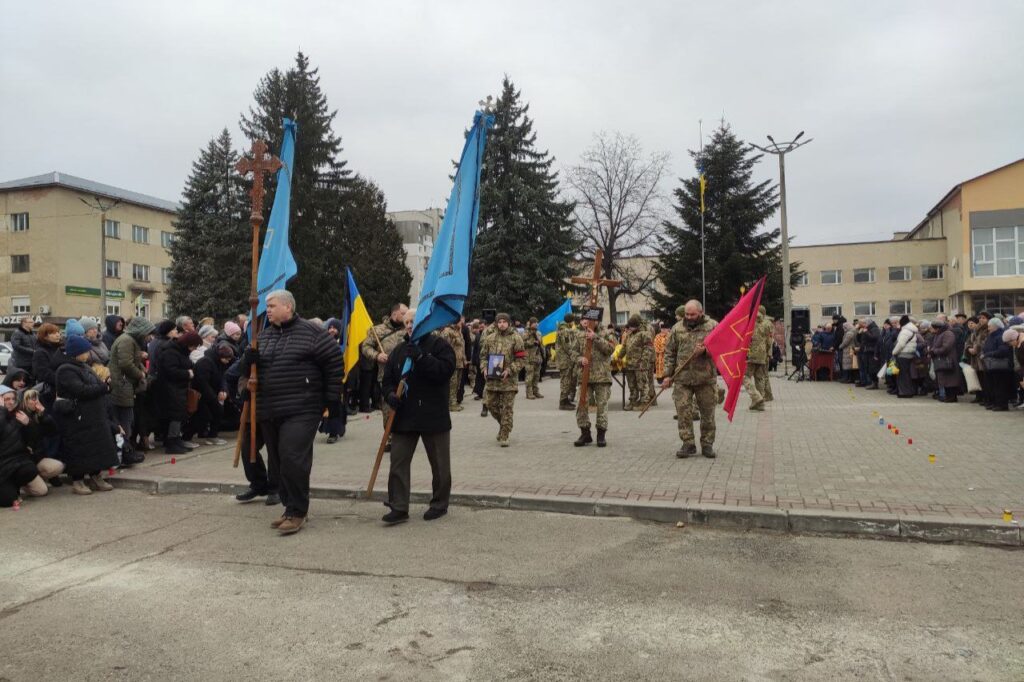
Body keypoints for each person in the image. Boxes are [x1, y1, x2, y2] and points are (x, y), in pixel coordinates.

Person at [240, 290, 344, 535]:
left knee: (292, 456)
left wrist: (331, 401)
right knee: (278, 461)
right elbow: (245, 374)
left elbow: (334, 364)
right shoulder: (262, 337)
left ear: (288, 307)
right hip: (269, 409)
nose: (268, 310)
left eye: (272, 305)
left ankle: (298, 511)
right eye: (266, 305)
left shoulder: (313, 333)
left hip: (303, 408)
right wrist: (248, 361)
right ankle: (290, 508)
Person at [379, 308, 456, 525]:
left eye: (414, 321)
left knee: (440, 464)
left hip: (433, 415)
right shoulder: (399, 350)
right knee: (398, 462)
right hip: (404, 416)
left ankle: (439, 504)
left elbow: (445, 371)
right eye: (407, 323)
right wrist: (390, 395)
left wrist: (422, 358)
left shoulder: (440, 345)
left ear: (425, 322)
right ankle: (398, 506)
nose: (410, 325)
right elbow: (387, 380)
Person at [53, 335, 119, 495]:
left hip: (94, 415)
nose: (88, 354)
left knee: (97, 447)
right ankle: (78, 481)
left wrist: (106, 387)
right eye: (85, 351)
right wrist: (104, 388)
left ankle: (96, 476)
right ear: (76, 352)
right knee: (80, 449)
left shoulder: (84, 366)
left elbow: (96, 386)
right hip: (77, 417)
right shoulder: (65, 370)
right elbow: (81, 390)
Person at [662, 301, 718, 459]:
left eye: (692, 314)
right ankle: (688, 443)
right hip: (682, 378)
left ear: (701, 312)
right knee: (683, 412)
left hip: (705, 378)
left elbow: (723, 347)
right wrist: (667, 375)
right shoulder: (677, 328)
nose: (689, 317)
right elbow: (669, 353)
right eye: (687, 314)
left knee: (708, 413)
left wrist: (706, 351)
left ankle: (707, 444)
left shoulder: (713, 326)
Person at [224, 356, 279, 506]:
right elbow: (233, 374)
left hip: (274, 410)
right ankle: (258, 484)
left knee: (275, 451)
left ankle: (276, 488)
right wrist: (243, 392)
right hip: (252, 411)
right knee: (247, 448)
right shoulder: (253, 347)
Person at [360, 304, 409, 447]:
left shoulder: (407, 329)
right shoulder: (377, 330)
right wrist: (377, 355)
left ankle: (405, 435)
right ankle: (390, 438)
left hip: (406, 374)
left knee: (406, 407)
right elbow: (365, 347)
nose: (406, 317)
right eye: (403, 313)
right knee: (388, 408)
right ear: (394, 314)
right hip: (386, 376)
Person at [109, 317, 156, 464]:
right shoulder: (127, 341)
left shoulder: (130, 340)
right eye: (148, 332)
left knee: (127, 421)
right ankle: (123, 455)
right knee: (125, 422)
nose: (149, 336)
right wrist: (140, 374)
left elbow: (132, 361)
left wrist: (142, 370)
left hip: (125, 385)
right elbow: (126, 364)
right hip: (122, 386)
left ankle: (126, 452)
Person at [479, 312, 525, 446]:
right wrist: (484, 368)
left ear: (509, 323)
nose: (502, 324)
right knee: (490, 405)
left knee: (507, 409)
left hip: (508, 382)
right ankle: (505, 425)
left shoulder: (516, 338)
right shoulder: (490, 338)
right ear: (496, 323)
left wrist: (510, 369)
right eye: (499, 322)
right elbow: (482, 356)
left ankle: (504, 434)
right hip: (492, 380)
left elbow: (521, 358)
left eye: (504, 322)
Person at [0, 386, 50, 507]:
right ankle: (10, 489)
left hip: (18, 462)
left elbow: (34, 439)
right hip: (2, 466)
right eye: (6, 399)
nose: (11, 402)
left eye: (13, 398)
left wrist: (29, 424)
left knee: (41, 490)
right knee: (7, 501)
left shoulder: (20, 414)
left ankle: (16, 486)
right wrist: (1, 410)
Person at [574, 315, 616, 447]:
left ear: (597, 320)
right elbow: (572, 352)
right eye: (584, 319)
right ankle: (585, 433)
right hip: (584, 376)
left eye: (590, 319)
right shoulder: (579, 335)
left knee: (602, 406)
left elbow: (610, 349)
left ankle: (601, 434)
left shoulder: (606, 334)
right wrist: (580, 359)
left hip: (601, 376)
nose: (586, 322)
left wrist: (596, 338)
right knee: (581, 405)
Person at [156, 331, 201, 454]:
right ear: (188, 344)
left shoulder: (181, 352)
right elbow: (170, 370)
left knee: (179, 414)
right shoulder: (170, 352)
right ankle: (172, 441)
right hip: (170, 389)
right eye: (194, 346)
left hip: (178, 388)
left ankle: (175, 439)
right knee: (175, 415)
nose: (194, 349)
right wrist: (187, 373)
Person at [192, 342, 235, 445]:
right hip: (202, 394)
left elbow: (223, 378)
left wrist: (223, 390)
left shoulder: (220, 364)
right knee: (203, 415)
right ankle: (188, 437)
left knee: (217, 412)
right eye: (226, 359)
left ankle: (212, 435)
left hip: (212, 393)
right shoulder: (205, 362)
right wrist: (213, 397)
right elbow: (203, 383)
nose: (227, 362)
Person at [980, 317, 1013, 411]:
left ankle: (1002, 405)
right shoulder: (991, 335)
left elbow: (1003, 351)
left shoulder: (1001, 336)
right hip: (991, 365)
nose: (988, 328)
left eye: (989, 326)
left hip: (1000, 365)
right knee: (993, 385)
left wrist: (988, 354)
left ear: (995, 326)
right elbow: (986, 346)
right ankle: (995, 403)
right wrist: (983, 353)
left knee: (1000, 386)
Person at [743, 307, 771, 411]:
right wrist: (767, 353)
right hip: (762, 354)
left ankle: (756, 397)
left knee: (745, 377)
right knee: (759, 378)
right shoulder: (768, 324)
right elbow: (769, 341)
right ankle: (761, 403)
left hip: (750, 354)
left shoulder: (749, 322)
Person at [622, 315, 652, 411]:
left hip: (640, 364)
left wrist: (644, 361)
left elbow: (648, 348)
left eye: (632, 326)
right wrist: (617, 357)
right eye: (630, 326)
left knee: (642, 384)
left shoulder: (644, 334)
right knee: (632, 385)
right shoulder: (630, 335)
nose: (630, 328)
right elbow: (624, 347)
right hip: (630, 364)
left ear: (637, 325)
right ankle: (633, 401)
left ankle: (644, 402)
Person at [928, 315, 960, 403]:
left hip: (948, 360)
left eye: (933, 328)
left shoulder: (948, 333)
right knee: (945, 380)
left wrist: (935, 351)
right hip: (942, 360)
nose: (932, 330)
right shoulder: (939, 334)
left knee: (950, 380)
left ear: (938, 328)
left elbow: (946, 347)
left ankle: (952, 397)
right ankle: (948, 396)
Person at [31, 323, 64, 408]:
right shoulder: (40, 352)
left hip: (62, 390)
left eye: (58, 332)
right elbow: (43, 374)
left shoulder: (60, 349)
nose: (57, 335)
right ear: (45, 336)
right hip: (50, 393)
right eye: (53, 333)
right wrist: (64, 380)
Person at [555, 314, 580, 410]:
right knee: (565, 381)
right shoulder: (564, 330)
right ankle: (563, 402)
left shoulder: (562, 329)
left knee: (566, 380)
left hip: (564, 359)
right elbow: (567, 346)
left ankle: (565, 400)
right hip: (564, 360)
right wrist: (574, 354)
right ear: (571, 321)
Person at [441, 319, 467, 411]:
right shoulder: (447, 331)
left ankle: (454, 402)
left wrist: (464, 360)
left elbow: (462, 347)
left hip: (460, 362)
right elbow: (444, 346)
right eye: (460, 321)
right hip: (452, 362)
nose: (462, 322)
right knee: (452, 383)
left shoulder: (459, 331)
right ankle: (450, 404)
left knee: (457, 384)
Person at [522, 317, 544, 399]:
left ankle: (535, 391)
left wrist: (543, 354)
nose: (536, 324)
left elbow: (541, 344)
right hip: (529, 357)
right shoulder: (526, 333)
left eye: (536, 322)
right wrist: (532, 342)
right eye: (534, 322)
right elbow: (522, 344)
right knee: (529, 376)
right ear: (530, 323)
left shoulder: (538, 333)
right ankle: (529, 393)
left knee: (536, 376)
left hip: (537, 357)